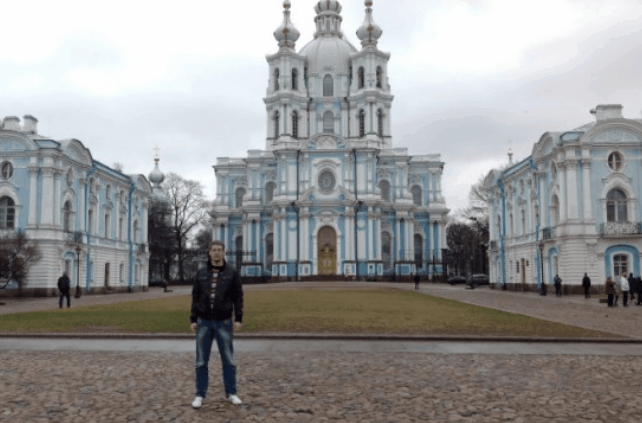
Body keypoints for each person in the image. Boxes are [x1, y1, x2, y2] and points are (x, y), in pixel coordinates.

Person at [190, 240, 244, 409]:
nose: (216, 253)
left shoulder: (232, 273)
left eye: (219, 250)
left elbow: (238, 296)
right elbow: (195, 296)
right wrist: (193, 319)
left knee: (228, 359)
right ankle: (200, 394)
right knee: (201, 361)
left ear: (223, 252)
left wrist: (238, 318)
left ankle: (232, 393)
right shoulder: (201, 273)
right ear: (209, 252)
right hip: (204, 321)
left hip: (224, 321)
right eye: (214, 250)